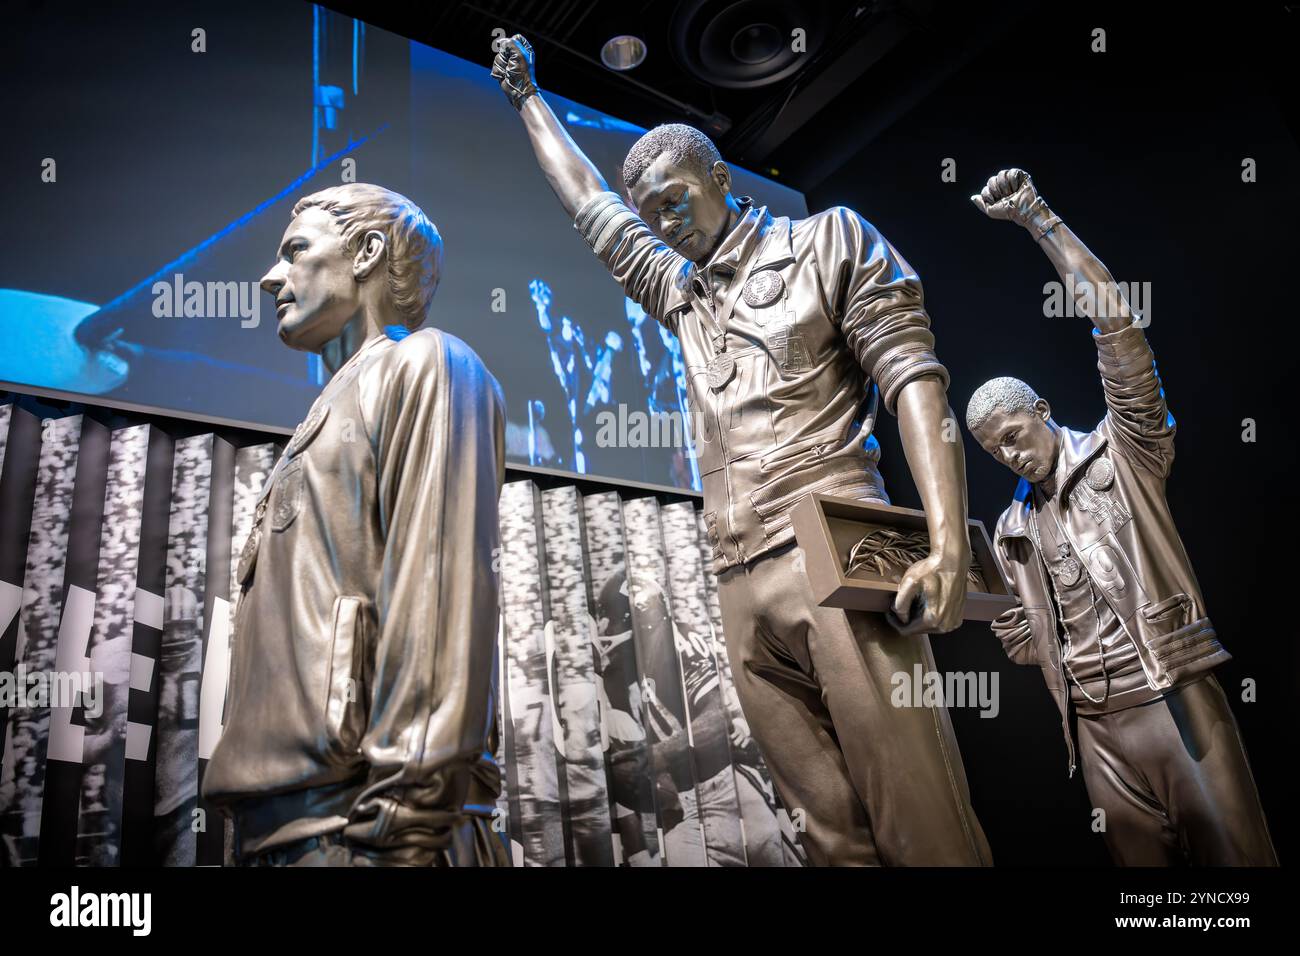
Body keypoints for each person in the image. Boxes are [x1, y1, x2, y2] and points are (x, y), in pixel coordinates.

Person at [493, 36, 990, 866]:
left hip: (834, 544)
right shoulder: (682, 295)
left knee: (921, 820)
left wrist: (947, 544)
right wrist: (528, 102)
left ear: (721, 179)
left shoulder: (826, 240)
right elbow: (591, 209)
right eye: (651, 211)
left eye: (676, 200)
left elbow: (915, 383)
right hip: (736, 577)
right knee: (827, 833)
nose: (663, 222)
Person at [968, 168, 1277, 866]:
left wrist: (1038, 218)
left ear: (1042, 410)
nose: (1009, 454)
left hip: (1167, 690)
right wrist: (1026, 638)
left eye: (1014, 434)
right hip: (1091, 727)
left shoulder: (1125, 450)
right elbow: (1036, 638)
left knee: (1236, 865)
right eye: (993, 450)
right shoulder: (1014, 530)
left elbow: (1117, 325)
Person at [202, 183, 509, 867]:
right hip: (280, 830)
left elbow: (441, 591)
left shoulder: (426, 363)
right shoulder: (325, 413)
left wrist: (405, 816)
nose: (269, 277)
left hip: (368, 830)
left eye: (295, 251)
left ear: (368, 252)